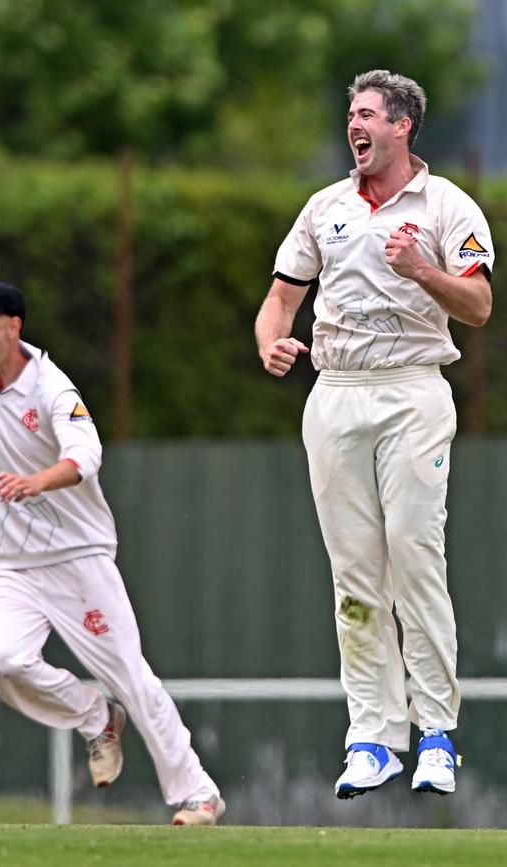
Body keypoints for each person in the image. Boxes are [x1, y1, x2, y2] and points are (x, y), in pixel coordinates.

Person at [0, 281, 224, 826]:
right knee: (5, 663)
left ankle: (198, 795)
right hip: (9, 565)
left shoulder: (53, 388)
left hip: (78, 558)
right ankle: (95, 717)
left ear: (14, 327)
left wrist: (36, 482)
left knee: (130, 673)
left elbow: (86, 455)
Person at [255, 70, 494, 799]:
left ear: (402, 126)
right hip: (335, 395)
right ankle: (372, 736)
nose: (352, 127)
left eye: (365, 115)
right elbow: (279, 301)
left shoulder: (448, 205)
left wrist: (421, 267)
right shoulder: (324, 207)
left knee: (415, 559)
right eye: (349, 115)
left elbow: (480, 305)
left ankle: (436, 736)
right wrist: (270, 341)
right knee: (355, 575)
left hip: (413, 391)